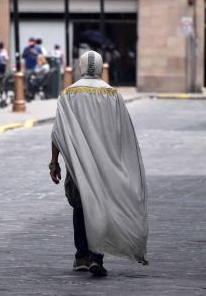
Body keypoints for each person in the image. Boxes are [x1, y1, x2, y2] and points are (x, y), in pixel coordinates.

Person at [49, 51, 148, 277]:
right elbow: (121, 133)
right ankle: (96, 257)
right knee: (100, 207)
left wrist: (54, 163)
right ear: (101, 67)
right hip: (105, 164)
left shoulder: (68, 94)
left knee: (80, 208)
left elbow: (57, 133)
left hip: (76, 164)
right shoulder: (111, 95)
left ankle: (82, 256)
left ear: (80, 67)